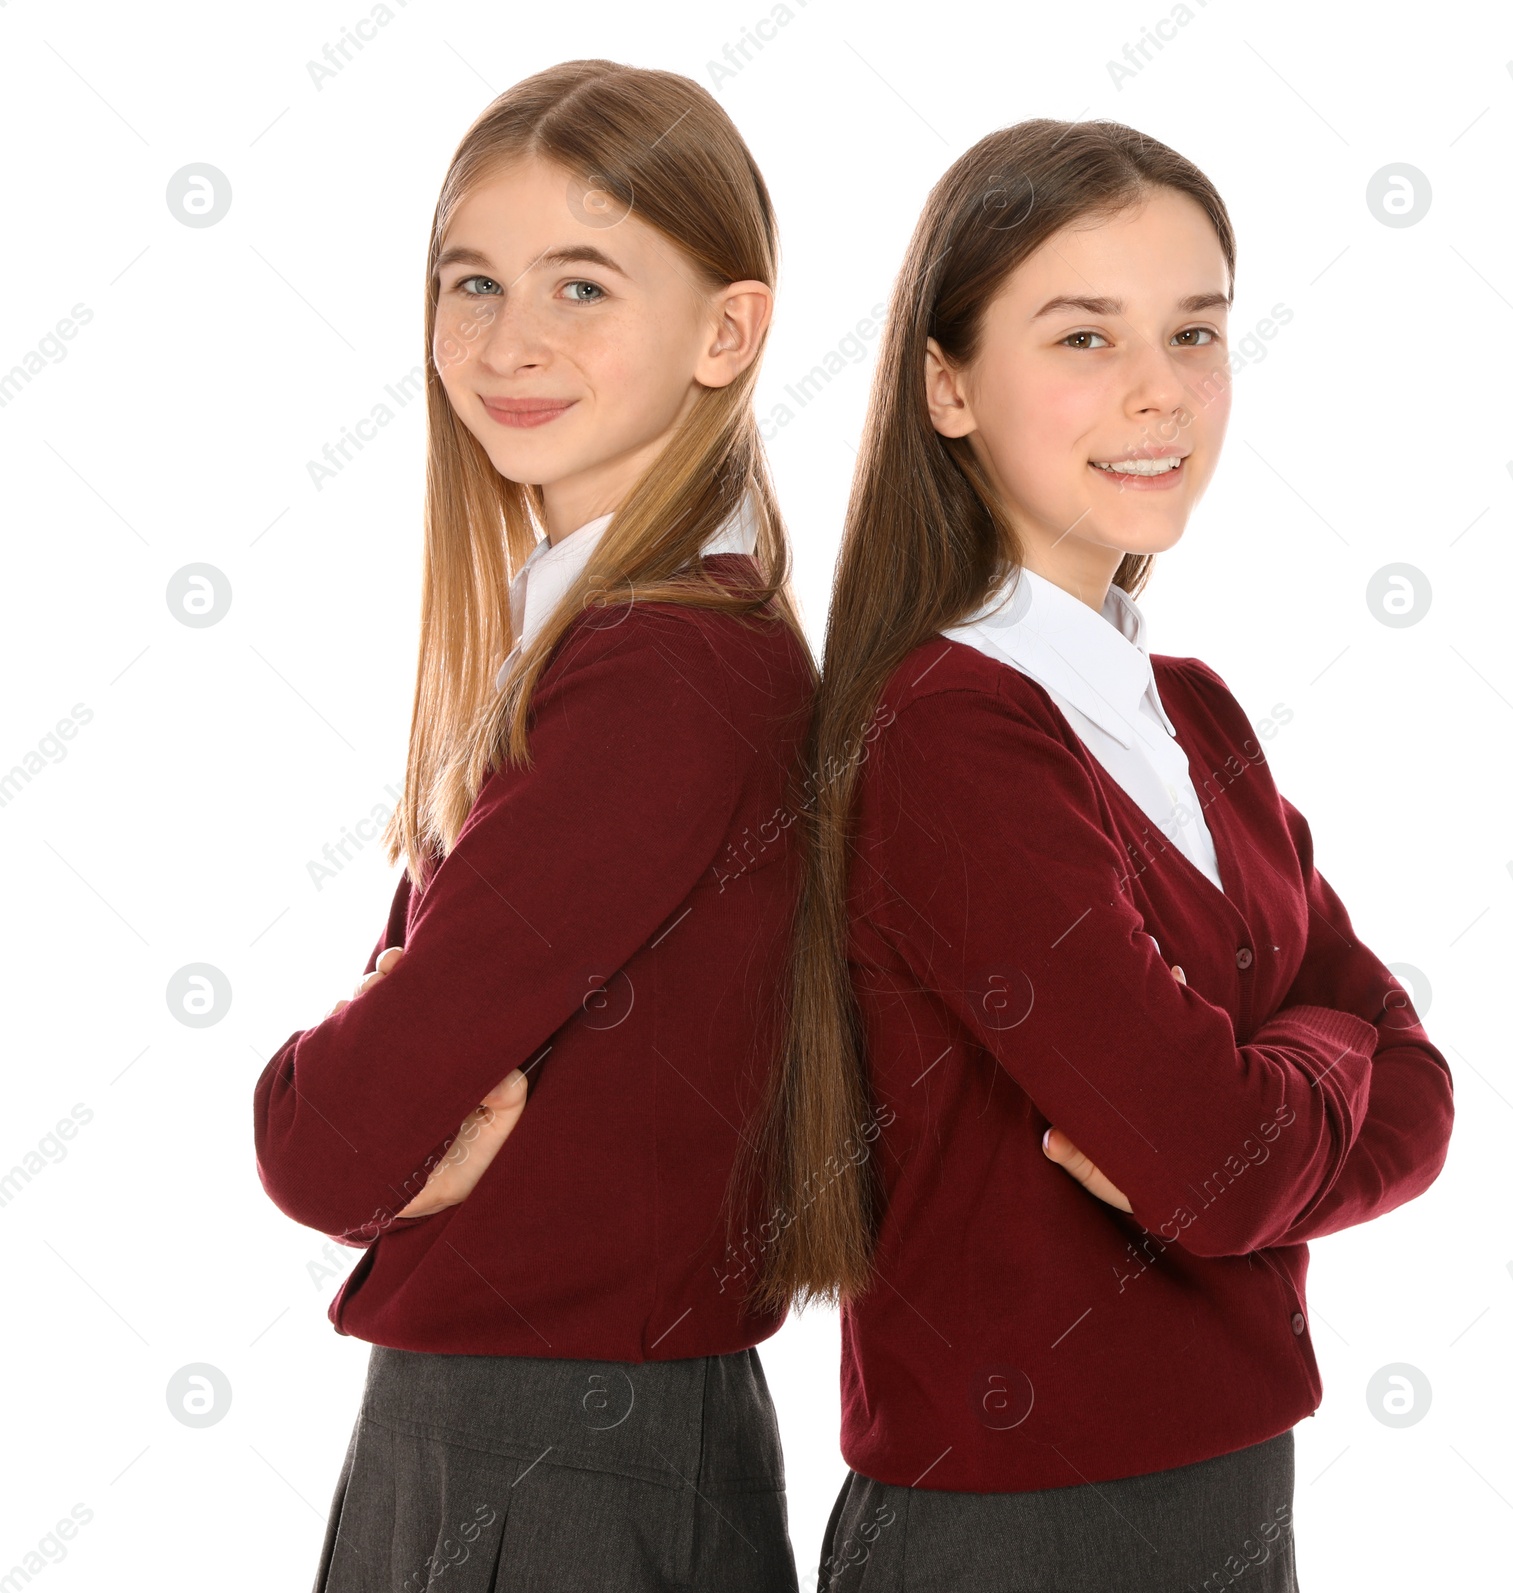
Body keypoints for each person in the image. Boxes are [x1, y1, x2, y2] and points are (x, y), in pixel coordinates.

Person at [740, 117, 1455, 1592]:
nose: (1160, 390)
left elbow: (1422, 1088)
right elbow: (1214, 1162)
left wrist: (1280, 1082)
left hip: (1226, 1494)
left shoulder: (1191, 712)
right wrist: (1321, 1060)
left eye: (1195, 330)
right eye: (1084, 335)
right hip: (1019, 1530)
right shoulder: (945, 733)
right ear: (947, 383)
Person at [253, 59, 813, 1592]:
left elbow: (327, 1137)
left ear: (727, 329)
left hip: (557, 1450)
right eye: (473, 282)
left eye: (582, 285)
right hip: (534, 1427)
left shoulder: (668, 669)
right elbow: (389, 1099)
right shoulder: (601, 642)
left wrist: (346, 1094)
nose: (510, 341)